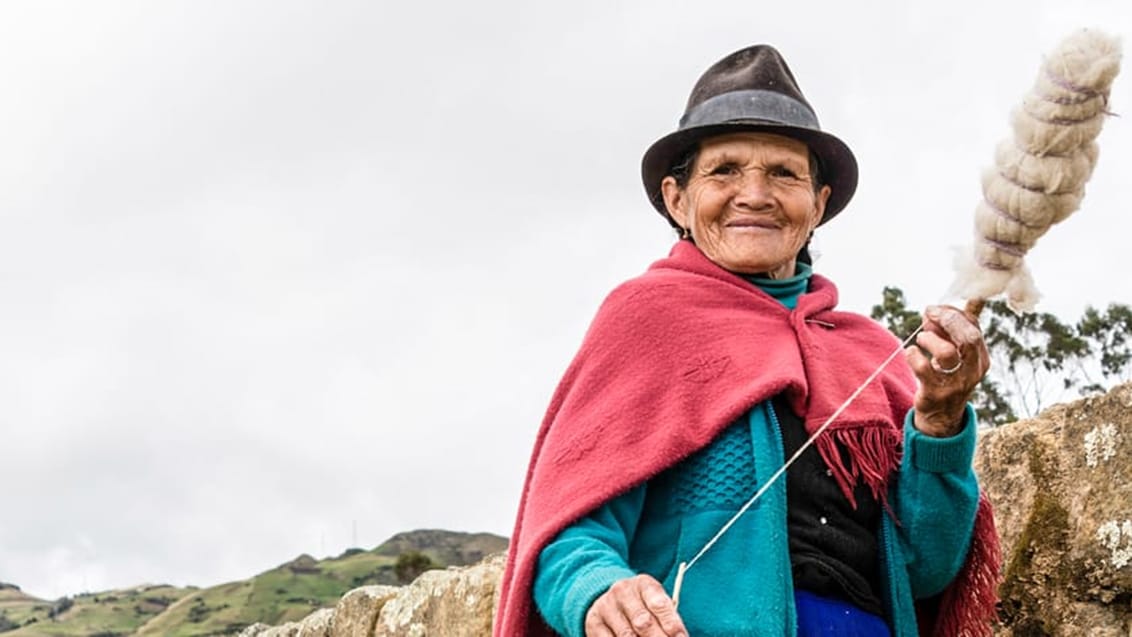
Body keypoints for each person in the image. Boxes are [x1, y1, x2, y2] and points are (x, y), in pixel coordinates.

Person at [495, 45, 1001, 637]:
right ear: (677, 199)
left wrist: (939, 423)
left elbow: (923, 571)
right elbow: (568, 537)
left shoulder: (869, 352)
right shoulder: (644, 322)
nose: (755, 194)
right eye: (725, 170)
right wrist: (601, 591)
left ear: (818, 205)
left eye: (784, 173)